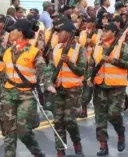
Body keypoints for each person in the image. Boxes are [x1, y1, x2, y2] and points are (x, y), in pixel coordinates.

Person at [1, 19, 47, 157]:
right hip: (9, 94)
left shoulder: (34, 52)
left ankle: (37, 152)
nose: (10, 32)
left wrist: (49, 85)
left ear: (20, 32)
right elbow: (5, 74)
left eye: (13, 29)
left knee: (24, 131)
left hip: (26, 95)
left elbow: (43, 71)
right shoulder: (8, 51)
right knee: (8, 131)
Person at [87, 23, 128, 156]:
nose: (103, 33)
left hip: (116, 86)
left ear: (114, 33)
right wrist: (89, 77)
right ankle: (103, 145)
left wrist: (113, 61)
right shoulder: (98, 47)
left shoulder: (122, 46)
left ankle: (120, 133)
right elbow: (91, 63)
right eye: (103, 30)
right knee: (100, 117)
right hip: (99, 85)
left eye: (106, 31)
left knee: (114, 114)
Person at [45, 18, 86, 156]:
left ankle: (76, 141)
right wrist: (49, 82)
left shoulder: (80, 49)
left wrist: (69, 62)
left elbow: (81, 71)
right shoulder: (56, 48)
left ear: (68, 33)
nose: (57, 35)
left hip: (73, 90)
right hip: (58, 89)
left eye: (60, 32)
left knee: (69, 120)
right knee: (58, 121)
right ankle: (60, 149)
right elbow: (50, 67)